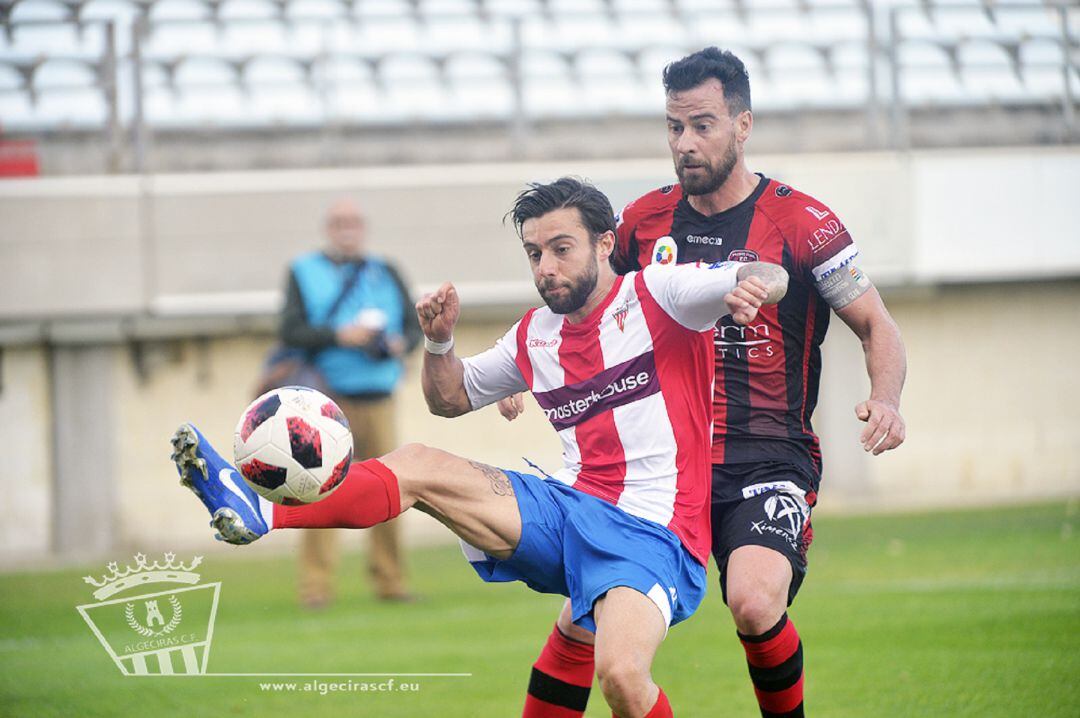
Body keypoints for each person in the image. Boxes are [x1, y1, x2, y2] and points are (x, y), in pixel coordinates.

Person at [170, 177, 789, 718]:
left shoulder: (662, 294)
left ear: (605, 244)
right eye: (534, 252)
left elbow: (769, 273)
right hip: (569, 510)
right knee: (416, 463)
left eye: (561, 248)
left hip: (655, 534)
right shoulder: (534, 334)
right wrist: (439, 343)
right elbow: (450, 398)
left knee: (622, 678)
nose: (545, 266)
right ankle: (263, 511)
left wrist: (751, 286)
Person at [502, 49, 908, 718]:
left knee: (752, 601)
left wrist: (886, 398)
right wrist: (530, 368)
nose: (684, 143)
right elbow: (584, 306)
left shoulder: (803, 222)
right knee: (586, 620)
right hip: (658, 467)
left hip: (765, 456)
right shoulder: (641, 224)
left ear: (743, 126)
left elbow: (877, 324)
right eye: (673, 127)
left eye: (702, 125)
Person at [278, 198, 421, 607]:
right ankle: (316, 588)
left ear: (364, 228)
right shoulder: (303, 271)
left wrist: (397, 343)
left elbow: (413, 329)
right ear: (328, 228)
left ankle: (391, 581)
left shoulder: (386, 270)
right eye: (340, 223)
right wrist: (341, 336)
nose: (348, 229)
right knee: (318, 490)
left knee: (390, 490)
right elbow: (289, 330)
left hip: (380, 396)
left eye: (354, 222)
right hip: (327, 399)